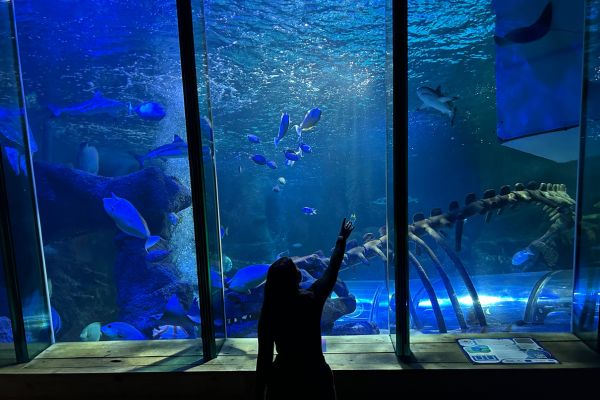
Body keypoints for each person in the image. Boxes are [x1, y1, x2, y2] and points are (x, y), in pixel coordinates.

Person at [255, 218, 354, 400]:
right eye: (295, 269)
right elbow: (332, 271)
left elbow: (263, 361)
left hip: (283, 380)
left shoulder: (269, 312)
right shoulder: (311, 299)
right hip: (315, 375)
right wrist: (341, 239)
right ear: (297, 277)